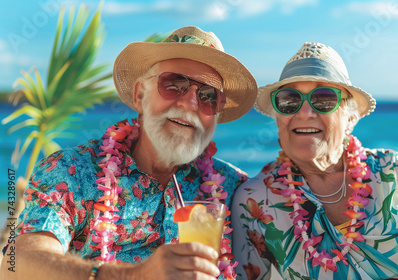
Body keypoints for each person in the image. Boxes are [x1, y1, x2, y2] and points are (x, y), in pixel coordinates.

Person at [1, 26, 257, 280]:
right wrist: (134, 276)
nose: (189, 103)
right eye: (175, 85)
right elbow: (17, 265)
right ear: (139, 95)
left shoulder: (237, 190)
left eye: (208, 95)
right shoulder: (71, 173)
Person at [231, 42, 398, 280]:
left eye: (323, 99)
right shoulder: (255, 200)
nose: (304, 112)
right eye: (289, 100)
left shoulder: (396, 171)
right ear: (278, 119)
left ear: (350, 118)